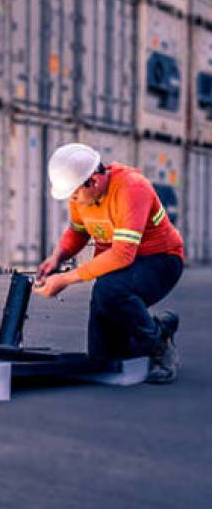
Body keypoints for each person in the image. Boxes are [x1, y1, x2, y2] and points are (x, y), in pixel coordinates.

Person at [34, 143, 184, 384]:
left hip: (161, 261)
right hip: (123, 267)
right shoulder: (80, 192)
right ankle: (160, 327)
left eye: (74, 195)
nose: (73, 200)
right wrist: (56, 258)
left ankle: (159, 347)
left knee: (110, 289)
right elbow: (77, 231)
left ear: (93, 181)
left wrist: (65, 279)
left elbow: (123, 254)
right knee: (104, 356)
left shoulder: (132, 188)